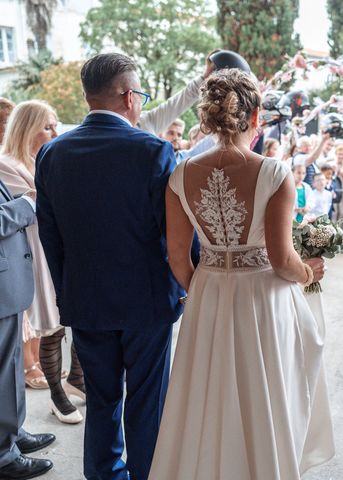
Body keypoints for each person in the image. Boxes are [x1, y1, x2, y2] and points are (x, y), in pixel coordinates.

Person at [149, 68, 333, 479]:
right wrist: (308, 271)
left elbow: (178, 258)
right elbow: (282, 260)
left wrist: (207, 289)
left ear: (210, 118)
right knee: (263, 394)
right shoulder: (273, 173)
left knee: (210, 396)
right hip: (264, 299)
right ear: (255, 118)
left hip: (209, 294)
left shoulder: (179, 175)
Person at [35, 53, 183, 480]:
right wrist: (182, 286)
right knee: (146, 401)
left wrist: (68, 294)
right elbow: (171, 232)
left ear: (87, 96)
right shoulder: (154, 150)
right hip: (148, 301)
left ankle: (102, 475)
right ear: (129, 96)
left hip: (86, 299)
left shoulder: (53, 154)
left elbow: (51, 237)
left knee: (101, 400)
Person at [0, 100, 85, 424]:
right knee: (51, 330)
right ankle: (57, 395)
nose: (55, 133)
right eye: (47, 127)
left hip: (61, 253)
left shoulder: (44, 160)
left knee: (75, 322)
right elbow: (42, 204)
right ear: (26, 129)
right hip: (35, 257)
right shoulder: (8, 163)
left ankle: (76, 382)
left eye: (56, 125)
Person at [0, 180, 55, 480]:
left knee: (11, 367)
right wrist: (25, 206)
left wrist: (21, 197)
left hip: (8, 285)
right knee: (3, 372)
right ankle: (3, 456)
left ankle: (12, 432)